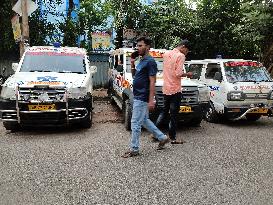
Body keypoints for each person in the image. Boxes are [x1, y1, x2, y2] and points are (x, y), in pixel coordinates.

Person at [122, 36, 170, 158]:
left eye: (140, 46)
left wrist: (151, 100)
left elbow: (152, 81)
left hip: (142, 96)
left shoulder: (150, 61)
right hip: (138, 94)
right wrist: (132, 63)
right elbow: (134, 76)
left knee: (135, 122)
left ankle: (134, 149)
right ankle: (162, 137)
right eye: (137, 46)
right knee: (144, 120)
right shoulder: (141, 60)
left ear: (147, 47)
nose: (138, 48)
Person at [154, 40, 192, 144]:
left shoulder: (166, 54)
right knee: (174, 115)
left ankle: (154, 134)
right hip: (175, 89)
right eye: (187, 50)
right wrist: (187, 74)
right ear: (183, 47)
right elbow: (178, 73)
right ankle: (173, 138)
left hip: (166, 88)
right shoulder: (180, 56)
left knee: (164, 111)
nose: (186, 53)